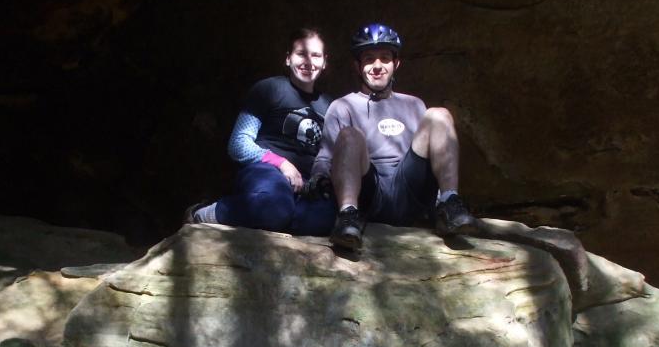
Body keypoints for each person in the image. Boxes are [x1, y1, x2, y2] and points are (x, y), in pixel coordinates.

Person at [308, 23, 480, 251]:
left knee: (439, 115)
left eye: (385, 58)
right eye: (369, 59)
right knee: (349, 135)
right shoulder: (343, 106)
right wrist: (317, 179)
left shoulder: (414, 104)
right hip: (369, 192)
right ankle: (348, 217)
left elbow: (432, 152)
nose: (377, 66)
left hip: (410, 189)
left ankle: (449, 204)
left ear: (396, 64)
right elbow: (326, 156)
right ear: (357, 66)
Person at [187, 28, 336, 235]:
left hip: (306, 183)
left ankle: (273, 219)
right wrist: (282, 163)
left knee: (321, 221)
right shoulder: (269, 89)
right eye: (301, 54)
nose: (309, 61)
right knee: (273, 205)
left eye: (316, 55)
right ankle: (205, 213)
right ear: (287, 58)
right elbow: (238, 143)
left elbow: (329, 155)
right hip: (267, 171)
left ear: (325, 62)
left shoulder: (329, 106)